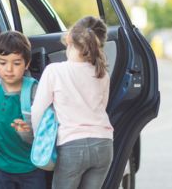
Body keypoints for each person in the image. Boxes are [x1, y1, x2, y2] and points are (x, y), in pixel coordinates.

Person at [26, 16, 113, 189]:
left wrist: (39, 139)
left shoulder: (55, 71)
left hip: (71, 147)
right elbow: (102, 107)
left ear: (69, 39)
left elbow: (38, 111)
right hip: (103, 144)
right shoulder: (102, 74)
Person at [0, 31, 45, 189]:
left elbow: (45, 131)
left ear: (27, 63)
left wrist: (27, 131)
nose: (9, 69)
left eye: (17, 63)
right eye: (3, 62)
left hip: (30, 166)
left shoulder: (34, 91)